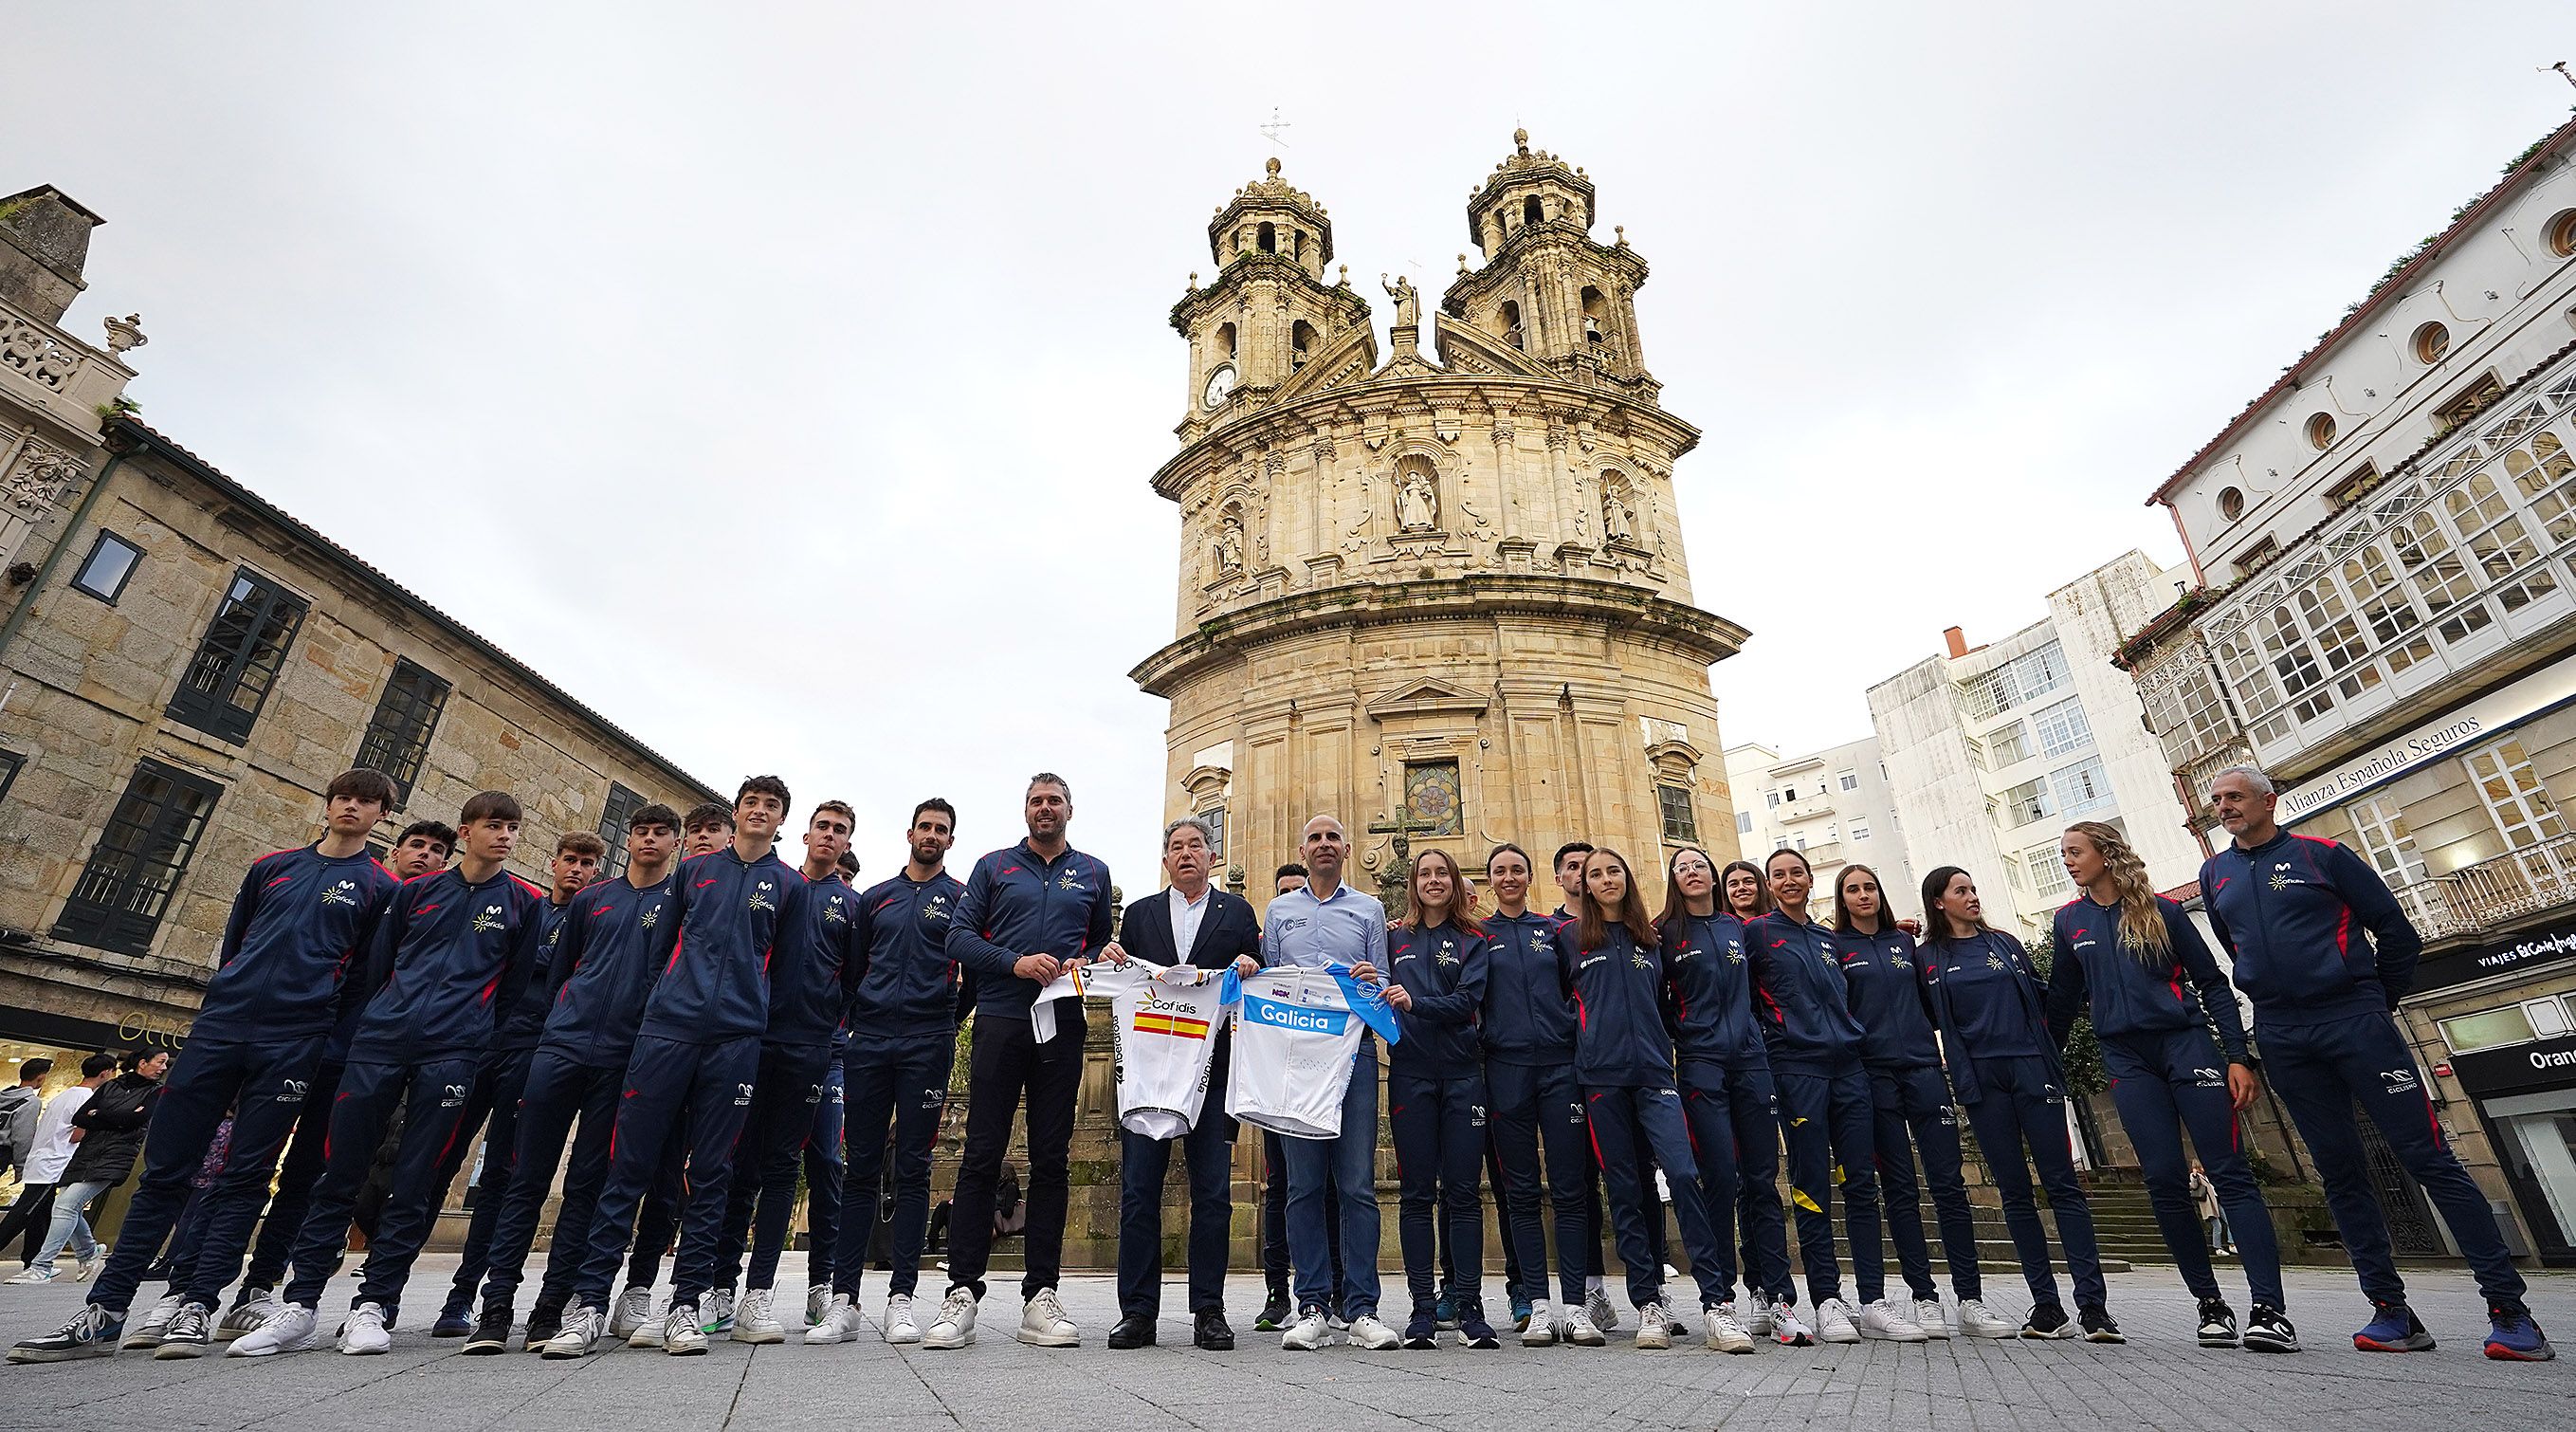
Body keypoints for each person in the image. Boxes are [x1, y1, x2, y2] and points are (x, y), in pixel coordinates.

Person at [11, 770, 402, 1364]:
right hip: (221, 1027)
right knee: (165, 1172)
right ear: (327, 805)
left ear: (381, 816)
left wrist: (323, 1036)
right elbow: (237, 941)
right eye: (344, 797)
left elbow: (364, 978)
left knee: (247, 1174)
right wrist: (228, 994)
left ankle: (196, 1302)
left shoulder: (379, 887)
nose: (352, 807)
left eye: (366, 802)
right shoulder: (272, 867)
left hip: (296, 1038)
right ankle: (107, 1308)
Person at [2200, 766, 2550, 1361]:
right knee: (2338, 1170)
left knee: (2429, 1159)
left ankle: (2510, 1312)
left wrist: (2371, 1000)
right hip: (2283, 1032)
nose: (2224, 806)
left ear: (2268, 800)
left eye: (2235, 796)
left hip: (2355, 1019)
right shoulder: (2216, 874)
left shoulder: (2325, 855)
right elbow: (2237, 947)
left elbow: (2394, 930)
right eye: (2216, 800)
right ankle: (2391, 1311)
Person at [228, 790, 550, 1358]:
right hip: (379, 1043)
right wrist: (385, 1015)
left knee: (416, 1181)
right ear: (467, 830)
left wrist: (472, 1032)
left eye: (513, 828)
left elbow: (517, 983)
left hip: (453, 1052)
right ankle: (300, 1304)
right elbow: (379, 965)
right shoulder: (416, 893)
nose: (505, 836)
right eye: (494, 826)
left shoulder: (525, 903)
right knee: (338, 1172)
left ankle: (376, 1304)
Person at [543, 776, 809, 1359]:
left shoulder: (789, 886)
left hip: (737, 1039)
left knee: (711, 1172)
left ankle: (685, 1305)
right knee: (628, 1165)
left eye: (772, 806)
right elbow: (659, 947)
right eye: (751, 804)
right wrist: (659, 1010)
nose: (760, 812)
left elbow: (785, 969)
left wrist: (754, 1018)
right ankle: (589, 1303)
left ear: (781, 820)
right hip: (668, 1030)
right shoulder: (695, 872)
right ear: (736, 814)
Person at [2052, 820, 2292, 1352]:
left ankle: (2270, 1310)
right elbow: (2063, 1005)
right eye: (2064, 854)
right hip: (2125, 1057)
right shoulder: (2068, 922)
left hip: (2186, 1046)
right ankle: (2209, 1305)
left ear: (2106, 854)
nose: (2067, 862)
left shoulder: (2164, 911)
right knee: (2162, 1178)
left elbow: (2212, 983)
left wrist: (2237, 1056)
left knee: (2228, 1173)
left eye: (2074, 852)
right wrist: (2042, 1063)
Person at [216, 817, 449, 1344]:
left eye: (438, 851)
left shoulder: (411, 901)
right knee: (247, 1167)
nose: (427, 856)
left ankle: (265, 1285)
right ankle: (205, 1288)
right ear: (395, 850)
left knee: (311, 1175)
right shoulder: (374, 895)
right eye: (418, 845)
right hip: (302, 1037)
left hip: (363, 1054)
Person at [460, 802, 682, 1353]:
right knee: (523, 1179)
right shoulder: (592, 900)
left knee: (586, 1184)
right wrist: (560, 1022)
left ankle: (551, 1309)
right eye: (641, 831)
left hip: (621, 1058)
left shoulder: (677, 905)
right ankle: (496, 1308)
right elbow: (561, 972)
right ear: (629, 840)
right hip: (560, 1049)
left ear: (675, 844)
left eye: (661, 833)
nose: (649, 840)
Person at [923, 773, 1114, 1350]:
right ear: (1025, 811)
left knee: (1052, 1157)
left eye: (1054, 801)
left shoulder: (1094, 873)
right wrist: (1014, 962)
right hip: (1002, 1018)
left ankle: (1041, 1296)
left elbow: (1097, 940)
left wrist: (1090, 958)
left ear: (1070, 810)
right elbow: (957, 938)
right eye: (1036, 801)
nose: (1045, 809)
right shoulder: (993, 866)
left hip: (1063, 1021)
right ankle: (961, 1292)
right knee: (982, 1152)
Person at [1918, 866, 2114, 1343]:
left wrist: (2098, 987)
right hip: (1982, 1081)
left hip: (2032, 1068)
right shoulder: (1926, 957)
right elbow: (1924, 1016)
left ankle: (2093, 1308)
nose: (1972, 896)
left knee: (2063, 1184)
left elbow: (2045, 997)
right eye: (1961, 890)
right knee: (2014, 1192)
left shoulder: (2005, 943)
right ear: (1939, 902)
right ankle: (2046, 1306)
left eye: (1973, 887)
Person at [1554, 847, 1734, 1350]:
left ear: (1627, 880)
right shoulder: (1568, 938)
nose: (1606, 879)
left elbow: (1667, 1002)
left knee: (1682, 1174)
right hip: (1600, 1081)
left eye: (1614, 871)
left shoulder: (1650, 938)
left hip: (1656, 1075)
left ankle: (1716, 1303)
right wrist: (1589, 1042)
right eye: (1595, 874)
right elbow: (1558, 1005)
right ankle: (1649, 1302)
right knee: (1625, 1188)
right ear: (1584, 886)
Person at [433, 830, 604, 1338]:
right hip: (482, 1040)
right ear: (553, 863)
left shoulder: (593, 917)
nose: (576, 869)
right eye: (569, 860)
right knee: (439, 1161)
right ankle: (383, 1293)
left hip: (539, 1052)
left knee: (502, 1177)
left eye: (587, 863)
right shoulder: (526, 908)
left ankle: (466, 1294)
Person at [1100, 816, 1261, 1351]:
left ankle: (1208, 1311)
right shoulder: (1142, 914)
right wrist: (1113, 957)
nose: (1186, 853)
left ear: (1212, 856)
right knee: (1139, 1190)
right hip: (1150, 1071)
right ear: (1165, 860)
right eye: (1176, 847)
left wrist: (1249, 961)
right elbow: (1121, 974)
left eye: (1196, 845)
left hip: (1211, 1071)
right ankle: (1138, 1311)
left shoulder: (1236, 912)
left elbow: (1254, 972)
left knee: (1213, 1193)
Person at [703, 801, 862, 1343]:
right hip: (754, 1038)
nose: (830, 836)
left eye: (840, 831)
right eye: (823, 826)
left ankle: (761, 1293)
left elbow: (853, 978)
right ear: (805, 834)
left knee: (788, 1168)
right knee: (737, 1165)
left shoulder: (851, 905)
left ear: (847, 844)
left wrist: (823, 1019)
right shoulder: (782, 887)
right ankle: (721, 1285)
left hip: (813, 1048)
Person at [812, 799, 966, 1348]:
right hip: (870, 1043)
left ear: (950, 840)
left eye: (941, 830)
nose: (931, 835)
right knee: (860, 1169)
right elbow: (853, 968)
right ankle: (844, 1300)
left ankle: (902, 1298)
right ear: (909, 833)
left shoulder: (962, 898)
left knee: (915, 1169)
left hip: (928, 1042)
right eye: (924, 827)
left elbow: (968, 968)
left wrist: (944, 1017)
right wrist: (861, 1022)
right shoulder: (874, 898)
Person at [1831, 864, 2005, 1339]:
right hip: (1874, 1076)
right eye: (1852, 889)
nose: (1863, 895)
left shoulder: (1907, 945)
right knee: (1900, 1189)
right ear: (1841, 900)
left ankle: (1970, 1299)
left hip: (1926, 1071)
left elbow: (1934, 1005)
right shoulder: (1836, 949)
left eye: (1870, 886)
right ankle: (1924, 1297)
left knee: (1949, 1185)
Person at [1746, 848, 1901, 1345]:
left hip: (1850, 1069)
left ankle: (1873, 1300)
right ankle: (1827, 1299)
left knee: (1861, 1182)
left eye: (1797, 873)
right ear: (1769, 884)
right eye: (1779, 875)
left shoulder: (1826, 938)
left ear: (1812, 880)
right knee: (1811, 1185)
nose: (1789, 881)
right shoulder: (1757, 934)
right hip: (1797, 1071)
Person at [1268, 816, 1400, 1353]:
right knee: (1302, 1186)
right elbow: (1272, 985)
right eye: (1315, 838)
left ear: (1347, 849)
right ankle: (1312, 1306)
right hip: (1298, 1059)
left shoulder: (1369, 909)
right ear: (1302, 850)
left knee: (1356, 1185)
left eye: (1332, 838)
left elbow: (1385, 980)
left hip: (1354, 1055)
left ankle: (1362, 1307)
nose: (1324, 845)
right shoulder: (1279, 910)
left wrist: (1377, 983)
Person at [1656, 846, 1788, 1353]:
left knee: (1762, 1180)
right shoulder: (1665, 933)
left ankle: (1773, 1293)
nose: (1691, 872)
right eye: (1681, 867)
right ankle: (1722, 1299)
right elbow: (1659, 1000)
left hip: (1751, 1062)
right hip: (1701, 1065)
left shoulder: (1742, 929)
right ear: (1674, 879)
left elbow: (1765, 987)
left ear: (1713, 874)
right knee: (1719, 1178)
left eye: (1698, 865)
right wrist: (1687, 1039)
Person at [1480, 843, 1597, 1347]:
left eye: (1517, 870)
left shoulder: (1556, 933)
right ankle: (1539, 1304)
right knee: (1521, 1192)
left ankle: (1576, 1304)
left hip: (1559, 1068)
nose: (1509, 877)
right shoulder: (1479, 937)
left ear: (1531, 878)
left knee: (1571, 1188)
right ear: (1490, 881)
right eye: (1500, 871)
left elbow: (1581, 987)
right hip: (1505, 1070)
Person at [1380, 848, 1494, 1349]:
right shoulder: (1393, 938)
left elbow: (1469, 1001)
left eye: (1441, 874)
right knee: (1416, 1194)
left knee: (1465, 1193)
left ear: (1454, 882)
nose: (1433, 881)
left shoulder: (1474, 939)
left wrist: (1414, 1002)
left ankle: (1469, 1305)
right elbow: (1375, 988)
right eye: (1424, 874)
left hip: (1464, 1074)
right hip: (1410, 1074)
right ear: (1414, 883)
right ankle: (1422, 1309)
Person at [1254, 862, 1347, 1332]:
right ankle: (1278, 1291)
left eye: (1298, 888)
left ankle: (1337, 1288)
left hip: (1332, 1057)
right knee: (1283, 1188)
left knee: (1333, 1184)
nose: (1294, 894)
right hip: (1283, 1069)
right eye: (1287, 890)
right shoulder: (1273, 924)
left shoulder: (1355, 914)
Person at [23, 1050, 170, 1282]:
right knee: (69, 1206)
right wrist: (118, 1117)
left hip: (116, 1156)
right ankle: (89, 1252)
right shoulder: (111, 1086)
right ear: (142, 1063)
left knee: (65, 1205)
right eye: (160, 1062)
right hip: (86, 1153)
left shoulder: (157, 1091)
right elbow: (80, 1118)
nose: (163, 1068)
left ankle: (42, 1266)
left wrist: (100, 1115)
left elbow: (136, 1121)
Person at [1, 1056, 109, 1281]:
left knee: (48, 1212)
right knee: (27, 1212)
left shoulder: (65, 1095)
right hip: (55, 1163)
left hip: (42, 1160)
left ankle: (38, 1262)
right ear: (105, 1073)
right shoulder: (88, 1099)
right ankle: (82, 1252)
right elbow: (77, 1134)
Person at [0, 1058, 49, 1192]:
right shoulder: (31, 1103)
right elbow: (22, 1138)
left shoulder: (3, 1095)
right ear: (40, 1078)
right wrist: (21, 1169)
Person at [2192, 1165, 2234, 1255]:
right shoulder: (2196, 1176)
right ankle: (2218, 1248)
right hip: (2209, 1204)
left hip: (2216, 1202)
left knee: (2229, 1220)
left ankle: (2232, 1244)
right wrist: (2195, 1176)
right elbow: (2194, 1186)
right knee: (2217, 1226)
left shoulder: (2207, 1176)